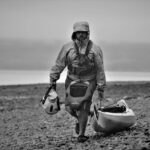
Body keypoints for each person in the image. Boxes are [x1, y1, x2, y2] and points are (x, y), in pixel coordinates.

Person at [49, 21, 106, 142]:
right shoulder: (67, 48)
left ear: (88, 33)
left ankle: (82, 134)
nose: (80, 35)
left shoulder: (95, 50)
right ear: (74, 34)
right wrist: (53, 79)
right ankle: (81, 119)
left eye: (83, 32)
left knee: (83, 106)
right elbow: (59, 64)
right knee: (70, 107)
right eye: (78, 32)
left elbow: (100, 69)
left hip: (89, 80)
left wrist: (101, 86)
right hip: (72, 80)